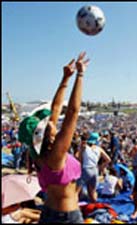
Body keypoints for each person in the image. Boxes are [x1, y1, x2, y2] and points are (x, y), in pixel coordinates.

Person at [19, 52, 90, 223]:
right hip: (66, 217)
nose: (51, 121)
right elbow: (72, 113)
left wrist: (65, 78)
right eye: (47, 123)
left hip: (49, 212)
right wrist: (80, 75)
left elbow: (56, 107)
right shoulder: (56, 155)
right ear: (43, 134)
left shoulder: (37, 152)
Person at [77, 132, 111, 202]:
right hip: (95, 170)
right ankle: (95, 207)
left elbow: (79, 159)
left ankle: (73, 209)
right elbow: (108, 159)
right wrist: (101, 167)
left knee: (76, 192)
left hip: (86, 169)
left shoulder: (84, 147)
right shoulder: (99, 149)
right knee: (92, 194)